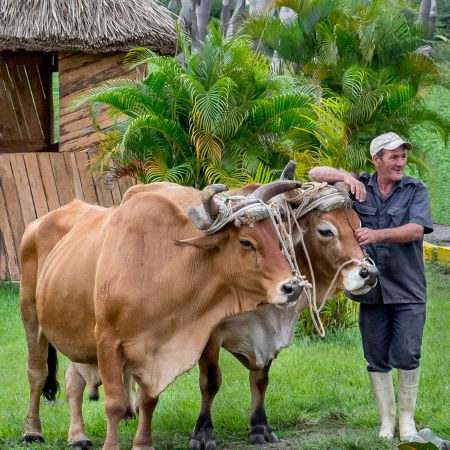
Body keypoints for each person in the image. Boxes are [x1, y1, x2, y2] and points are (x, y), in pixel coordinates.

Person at [309, 132, 434, 442]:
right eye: (394, 157)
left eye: (403, 156)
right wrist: (342, 177)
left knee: (406, 353)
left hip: (407, 289)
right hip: (371, 291)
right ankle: (386, 422)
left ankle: (407, 422)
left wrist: (378, 235)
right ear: (376, 159)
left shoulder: (415, 190)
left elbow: (416, 229)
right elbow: (313, 174)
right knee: (375, 356)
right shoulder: (358, 186)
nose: (401, 162)